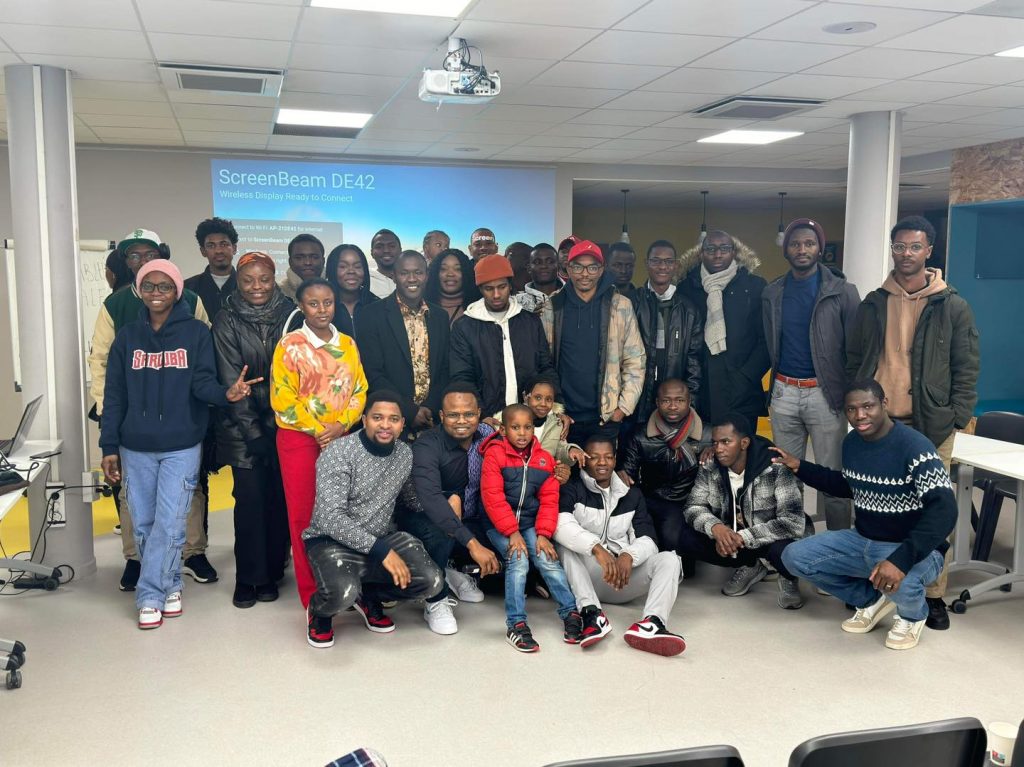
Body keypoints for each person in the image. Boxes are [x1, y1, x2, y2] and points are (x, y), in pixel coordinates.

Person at [99, 260, 257, 629]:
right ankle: (170, 583)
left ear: (177, 291)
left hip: (181, 443)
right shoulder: (127, 337)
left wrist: (227, 393)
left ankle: (149, 594)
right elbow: (114, 395)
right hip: (134, 445)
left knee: (171, 522)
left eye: (165, 286)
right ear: (140, 290)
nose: (157, 293)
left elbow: (201, 384)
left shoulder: (197, 333)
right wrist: (108, 446)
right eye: (149, 286)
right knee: (143, 523)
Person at [845, 215, 979, 631]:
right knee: (873, 502)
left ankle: (932, 595)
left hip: (931, 424)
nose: (906, 255)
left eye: (914, 247)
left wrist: (954, 418)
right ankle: (875, 585)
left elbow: (967, 367)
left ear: (929, 251)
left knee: (933, 511)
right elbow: (855, 357)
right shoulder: (873, 302)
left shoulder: (952, 305)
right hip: (878, 424)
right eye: (899, 247)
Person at [777, 380, 958, 651]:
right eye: (851, 409)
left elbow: (945, 510)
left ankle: (912, 615)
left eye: (867, 406)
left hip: (915, 549)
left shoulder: (915, 447)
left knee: (903, 576)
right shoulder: (852, 443)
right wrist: (800, 467)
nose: (860, 415)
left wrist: (900, 559)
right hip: (863, 540)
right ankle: (870, 600)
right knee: (794, 557)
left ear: (884, 404)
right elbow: (849, 485)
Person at [87, 228, 214, 591]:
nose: (143, 262)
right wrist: (109, 420)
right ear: (127, 264)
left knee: (186, 497)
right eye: (134, 257)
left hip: (180, 426)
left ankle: (192, 552)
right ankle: (138, 559)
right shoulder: (116, 306)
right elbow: (103, 363)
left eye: (150, 253)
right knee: (135, 501)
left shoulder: (190, 299)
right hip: (134, 425)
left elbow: (202, 357)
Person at [303, 392, 443, 648]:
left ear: (402, 424)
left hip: (381, 538)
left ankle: (368, 597)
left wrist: (448, 502)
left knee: (431, 581)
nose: (386, 425)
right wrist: (382, 550)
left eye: (393, 419)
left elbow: (411, 499)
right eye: (378, 418)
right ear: (365, 420)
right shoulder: (339, 451)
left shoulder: (404, 453)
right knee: (341, 593)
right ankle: (319, 612)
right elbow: (331, 518)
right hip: (331, 541)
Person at [271, 277, 368, 609]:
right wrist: (320, 430)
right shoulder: (290, 345)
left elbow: (360, 391)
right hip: (300, 440)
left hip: (341, 438)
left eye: (327, 302)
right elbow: (283, 400)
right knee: (304, 517)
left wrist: (340, 425)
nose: (321, 309)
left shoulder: (349, 345)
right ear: (301, 306)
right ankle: (313, 594)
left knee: (344, 513)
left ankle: (346, 586)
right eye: (313, 303)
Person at [762, 218, 860, 533]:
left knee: (834, 479)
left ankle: (839, 549)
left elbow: (856, 348)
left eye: (809, 243)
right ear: (786, 249)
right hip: (784, 392)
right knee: (786, 481)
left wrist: (849, 394)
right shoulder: (773, 292)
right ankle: (791, 550)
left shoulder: (843, 292)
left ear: (819, 247)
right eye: (795, 244)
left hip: (825, 395)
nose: (802, 249)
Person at [211, 251, 295, 609]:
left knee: (278, 500)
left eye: (263, 279)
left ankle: (273, 570)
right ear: (238, 281)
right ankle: (249, 578)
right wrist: (256, 434)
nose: (256, 287)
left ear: (273, 278)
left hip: (285, 423)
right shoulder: (226, 318)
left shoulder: (292, 313)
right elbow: (233, 380)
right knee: (249, 501)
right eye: (248, 280)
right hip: (241, 426)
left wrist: (279, 424)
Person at [555, 435, 686, 656]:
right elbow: (560, 525)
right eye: (594, 457)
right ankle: (592, 614)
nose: (602, 462)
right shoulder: (572, 488)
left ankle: (652, 623)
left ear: (615, 460)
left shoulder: (631, 494)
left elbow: (649, 540)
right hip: (588, 577)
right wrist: (597, 549)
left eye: (607, 457)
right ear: (584, 460)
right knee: (565, 546)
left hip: (623, 578)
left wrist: (628, 556)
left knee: (670, 559)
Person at [394, 384, 501, 634]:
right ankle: (435, 598)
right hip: (420, 515)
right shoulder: (427, 446)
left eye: (469, 414)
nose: (461, 421)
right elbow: (430, 499)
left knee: (505, 531)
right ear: (442, 417)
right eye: (453, 415)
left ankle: (448, 569)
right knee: (443, 526)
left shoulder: (489, 439)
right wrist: (473, 544)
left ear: (479, 413)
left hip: (469, 513)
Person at [680, 413, 810, 609]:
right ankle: (752, 565)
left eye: (726, 442)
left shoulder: (776, 468)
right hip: (736, 538)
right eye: (715, 443)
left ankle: (787, 576)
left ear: (744, 443)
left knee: (782, 550)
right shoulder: (710, 465)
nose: (718, 449)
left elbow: (792, 522)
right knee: (683, 536)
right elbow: (693, 506)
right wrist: (716, 528)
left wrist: (741, 537)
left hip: (770, 538)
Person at [481, 404, 580, 653]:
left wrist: (544, 535)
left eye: (527, 427)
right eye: (515, 427)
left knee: (547, 558)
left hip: (529, 524)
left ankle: (570, 613)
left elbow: (549, 500)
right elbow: (492, 497)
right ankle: (516, 624)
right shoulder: (495, 454)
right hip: (498, 525)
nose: (522, 433)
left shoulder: (543, 459)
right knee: (519, 559)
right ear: (503, 430)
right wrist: (512, 533)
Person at [549, 239, 645, 446]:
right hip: (563, 417)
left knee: (601, 476)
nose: (585, 274)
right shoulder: (553, 305)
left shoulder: (620, 305)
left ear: (602, 269)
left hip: (605, 417)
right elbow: (543, 361)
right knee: (563, 476)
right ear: (568, 268)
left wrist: (623, 409)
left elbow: (635, 360)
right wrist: (552, 409)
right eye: (578, 267)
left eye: (592, 267)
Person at [678, 230, 769, 428]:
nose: (717, 254)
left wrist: (745, 377)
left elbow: (765, 341)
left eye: (724, 248)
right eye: (710, 249)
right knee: (702, 452)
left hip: (742, 388)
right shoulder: (687, 288)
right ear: (701, 254)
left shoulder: (754, 287)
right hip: (700, 388)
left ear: (735, 252)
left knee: (741, 451)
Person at [356, 251, 450, 440]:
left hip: (432, 421)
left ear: (427, 276)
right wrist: (409, 410)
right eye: (404, 273)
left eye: (418, 272)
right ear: (394, 276)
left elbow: (444, 369)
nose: (412, 279)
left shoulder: (440, 316)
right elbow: (372, 373)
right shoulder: (371, 315)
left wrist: (429, 408)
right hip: (389, 422)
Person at [449, 254, 556, 418]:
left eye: (502, 287)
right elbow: (462, 378)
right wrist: (482, 416)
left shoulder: (530, 321)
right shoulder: (464, 326)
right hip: (487, 420)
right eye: (489, 289)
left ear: (510, 286)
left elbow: (545, 368)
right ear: (480, 289)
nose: (497, 294)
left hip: (530, 419)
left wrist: (556, 407)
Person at [618, 379, 704, 562]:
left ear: (689, 402)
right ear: (657, 403)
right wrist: (622, 476)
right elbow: (628, 475)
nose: (673, 406)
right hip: (656, 498)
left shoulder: (708, 434)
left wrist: (716, 450)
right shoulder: (640, 434)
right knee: (666, 543)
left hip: (694, 500)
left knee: (679, 549)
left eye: (679, 400)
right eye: (666, 401)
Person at [631, 239, 703, 423]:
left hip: (673, 399)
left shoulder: (689, 309)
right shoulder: (631, 302)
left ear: (676, 265)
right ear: (647, 264)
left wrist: (689, 402)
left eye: (668, 261)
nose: (662, 266)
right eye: (656, 261)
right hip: (636, 396)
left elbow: (694, 361)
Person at [521, 374, 586, 486]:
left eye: (549, 399)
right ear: (525, 397)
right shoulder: (514, 421)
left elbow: (560, 449)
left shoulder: (556, 423)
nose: (543, 404)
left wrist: (570, 450)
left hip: (543, 480)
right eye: (538, 398)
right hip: (518, 479)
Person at [185, 217, 238, 321]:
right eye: (211, 245)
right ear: (203, 251)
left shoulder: (249, 287)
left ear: (234, 248)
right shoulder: (188, 288)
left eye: (224, 244)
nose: (218, 250)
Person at [325, 243, 379, 338]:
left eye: (357, 266)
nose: (351, 271)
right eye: (343, 266)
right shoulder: (323, 308)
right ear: (332, 269)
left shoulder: (377, 306)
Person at [423, 248, 480, 326]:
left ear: (466, 273)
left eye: (457, 269)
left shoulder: (479, 307)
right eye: (443, 269)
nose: (450, 274)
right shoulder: (422, 305)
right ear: (436, 273)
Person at [515, 242, 563, 322]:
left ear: (558, 265)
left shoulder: (571, 297)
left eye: (550, 261)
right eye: (537, 262)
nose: (544, 266)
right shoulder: (517, 303)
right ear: (529, 268)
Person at [278, 234, 326, 301]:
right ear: (290, 262)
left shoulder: (336, 291)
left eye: (314, 257)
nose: (308, 262)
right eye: (299, 258)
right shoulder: (277, 293)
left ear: (323, 261)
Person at [368, 228, 401, 298]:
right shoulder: (364, 281)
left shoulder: (414, 279)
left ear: (400, 250)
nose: (386, 250)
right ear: (372, 253)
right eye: (379, 247)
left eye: (392, 246)